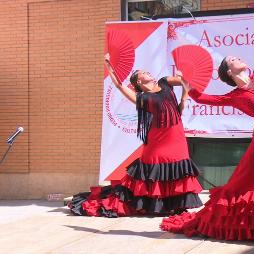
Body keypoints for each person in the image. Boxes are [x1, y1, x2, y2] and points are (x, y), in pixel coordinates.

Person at [161, 56, 254, 245]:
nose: (238, 58)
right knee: (242, 182)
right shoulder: (235, 96)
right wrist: (185, 81)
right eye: (232, 59)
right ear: (229, 71)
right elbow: (203, 98)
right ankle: (227, 220)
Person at [68, 53, 203, 217]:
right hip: (157, 141)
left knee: (177, 169)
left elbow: (184, 83)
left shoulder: (164, 82)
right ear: (139, 81)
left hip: (176, 137)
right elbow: (119, 85)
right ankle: (154, 205)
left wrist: (184, 92)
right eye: (144, 72)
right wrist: (108, 65)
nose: (149, 73)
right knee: (155, 172)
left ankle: (176, 205)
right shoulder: (142, 97)